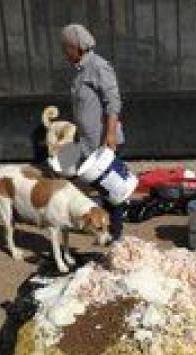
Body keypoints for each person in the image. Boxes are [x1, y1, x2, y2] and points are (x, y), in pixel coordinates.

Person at [61, 23, 126, 240]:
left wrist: (110, 135)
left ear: (76, 47)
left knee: (112, 193)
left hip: (103, 142)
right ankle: (96, 228)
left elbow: (113, 102)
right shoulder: (80, 70)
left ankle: (115, 237)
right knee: (64, 170)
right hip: (87, 141)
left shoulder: (99, 66)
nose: (65, 52)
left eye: (66, 47)